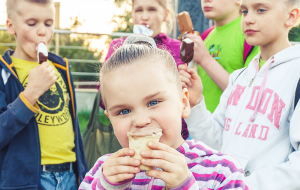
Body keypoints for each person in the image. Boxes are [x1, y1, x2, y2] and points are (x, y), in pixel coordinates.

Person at [79, 35, 248, 190]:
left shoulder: (221, 171)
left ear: (183, 103)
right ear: (110, 120)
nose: (140, 120)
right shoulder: (102, 172)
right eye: (123, 111)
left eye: (153, 102)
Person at [179, 0, 300, 188]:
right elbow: (216, 145)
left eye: (260, 10)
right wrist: (195, 104)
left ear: (291, 16)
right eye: (244, 11)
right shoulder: (239, 77)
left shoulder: (296, 74)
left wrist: (240, 184)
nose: (248, 19)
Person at [0, 0, 88, 189]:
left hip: (71, 176)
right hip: (28, 180)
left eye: (48, 23)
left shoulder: (61, 69)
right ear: (11, 26)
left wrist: (82, 172)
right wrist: (30, 94)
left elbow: (73, 129)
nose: (42, 31)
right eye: (32, 23)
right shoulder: (3, 73)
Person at [99, 0, 190, 139]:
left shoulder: (179, 47)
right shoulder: (118, 48)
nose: (145, 16)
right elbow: (104, 96)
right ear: (132, 14)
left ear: (165, 14)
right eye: (139, 10)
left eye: (152, 9)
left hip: (176, 134)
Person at [183, 0, 260, 113]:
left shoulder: (251, 33)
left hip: (231, 124)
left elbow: (249, 96)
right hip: (201, 123)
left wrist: (205, 59)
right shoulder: (205, 35)